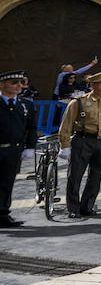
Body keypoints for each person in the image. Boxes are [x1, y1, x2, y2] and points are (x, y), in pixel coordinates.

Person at [56, 70, 101, 219]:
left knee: (96, 176)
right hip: (83, 140)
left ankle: (87, 206)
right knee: (75, 175)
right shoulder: (78, 101)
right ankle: (73, 208)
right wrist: (65, 145)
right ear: (92, 84)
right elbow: (66, 125)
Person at [0, 70, 38, 228]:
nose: (19, 86)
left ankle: (2, 214)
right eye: (14, 83)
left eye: (21, 83)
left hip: (13, 150)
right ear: (2, 85)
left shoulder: (26, 104)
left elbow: (31, 128)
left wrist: (30, 146)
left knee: (7, 182)